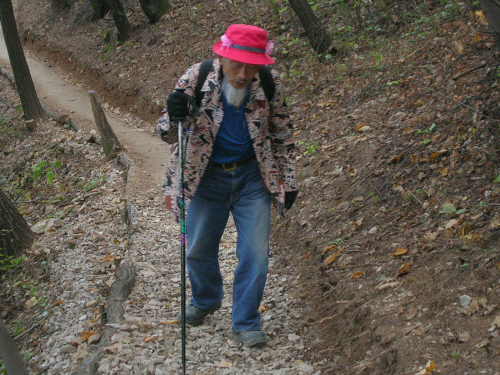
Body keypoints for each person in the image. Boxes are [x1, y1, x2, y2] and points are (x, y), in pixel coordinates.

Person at [155, 24, 298, 348]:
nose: (243, 73)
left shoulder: (270, 83)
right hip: (205, 177)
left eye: (252, 66)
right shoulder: (197, 77)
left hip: (252, 178)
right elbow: (165, 132)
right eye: (237, 63)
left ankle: (246, 322)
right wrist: (174, 114)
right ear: (222, 57)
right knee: (198, 249)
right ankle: (206, 300)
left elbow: (282, 133)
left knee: (256, 254)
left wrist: (288, 180)